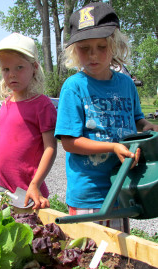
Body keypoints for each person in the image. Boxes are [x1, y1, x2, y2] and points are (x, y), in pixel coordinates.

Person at [54, 2, 158, 232]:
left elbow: (137, 119)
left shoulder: (126, 84)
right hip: (89, 193)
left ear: (115, 45)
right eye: (84, 48)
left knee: (117, 260)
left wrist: (147, 125)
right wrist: (112, 148)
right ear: (73, 51)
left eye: (101, 46)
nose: (93, 55)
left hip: (123, 186)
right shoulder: (74, 87)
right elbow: (70, 143)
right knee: (88, 258)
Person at [0, 33, 57, 210]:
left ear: (35, 68)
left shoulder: (42, 105)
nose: (12, 74)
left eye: (19, 67)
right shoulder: (6, 104)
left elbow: (50, 148)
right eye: (6, 69)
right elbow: (0, 144)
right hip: (2, 189)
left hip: (27, 193)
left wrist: (36, 184)